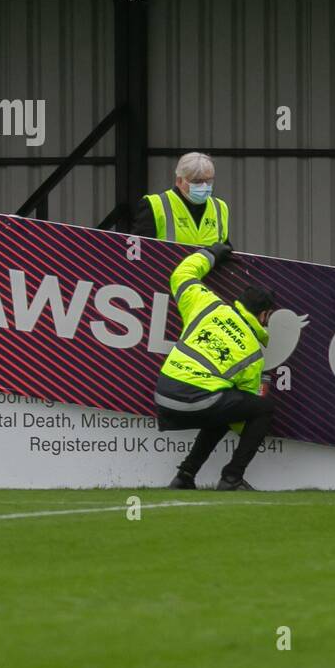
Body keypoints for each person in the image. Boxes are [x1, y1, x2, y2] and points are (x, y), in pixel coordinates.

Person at [155, 242, 277, 491]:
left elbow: (182, 274)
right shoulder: (253, 355)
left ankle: (185, 476)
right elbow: (240, 423)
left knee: (223, 404)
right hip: (199, 403)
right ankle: (231, 477)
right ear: (264, 316)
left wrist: (210, 254)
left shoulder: (207, 305)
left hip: (163, 396)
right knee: (259, 408)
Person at [133, 151, 230, 246]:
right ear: (179, 181)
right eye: (197, 181)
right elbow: (139, 253)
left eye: (208, 181)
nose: (204, 186)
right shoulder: (155, 205)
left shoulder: (220, 207)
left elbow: (225, 249)